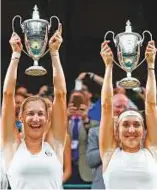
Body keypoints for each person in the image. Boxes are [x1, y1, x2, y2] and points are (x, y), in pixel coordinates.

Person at [1, 23, 67, 189]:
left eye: (40, 113)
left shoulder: (55, 143)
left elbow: (61, 94)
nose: (36, 118)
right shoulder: (12, 145)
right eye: (30, 113)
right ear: (20, 117)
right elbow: (8, 95)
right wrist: (15, 55)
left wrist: (54, 53)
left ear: (47, 117)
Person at [99, 40, 157, 189]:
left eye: (137, 125)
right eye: (125, 124)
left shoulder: (152, 151)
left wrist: (151, 65)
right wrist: (108, 66)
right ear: (116, 132)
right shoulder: (109, 153)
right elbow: (106, 106)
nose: (131, 130)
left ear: (144, 131)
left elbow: (151, 105)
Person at [86, 93, 130, 189]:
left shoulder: (136, 134)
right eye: (118, 106)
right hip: (102, 185)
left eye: (125, 107)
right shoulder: (95, 132)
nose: (122, 110)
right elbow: (91, 160)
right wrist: (112, 146)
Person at [65, 90, 99, 188]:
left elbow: (95, 140)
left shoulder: (94, 123)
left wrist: (86, 120)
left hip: (85, 169)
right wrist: (65, 118)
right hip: (65, 168)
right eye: (73, 101)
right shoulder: (62, 121)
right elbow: (56, 138)